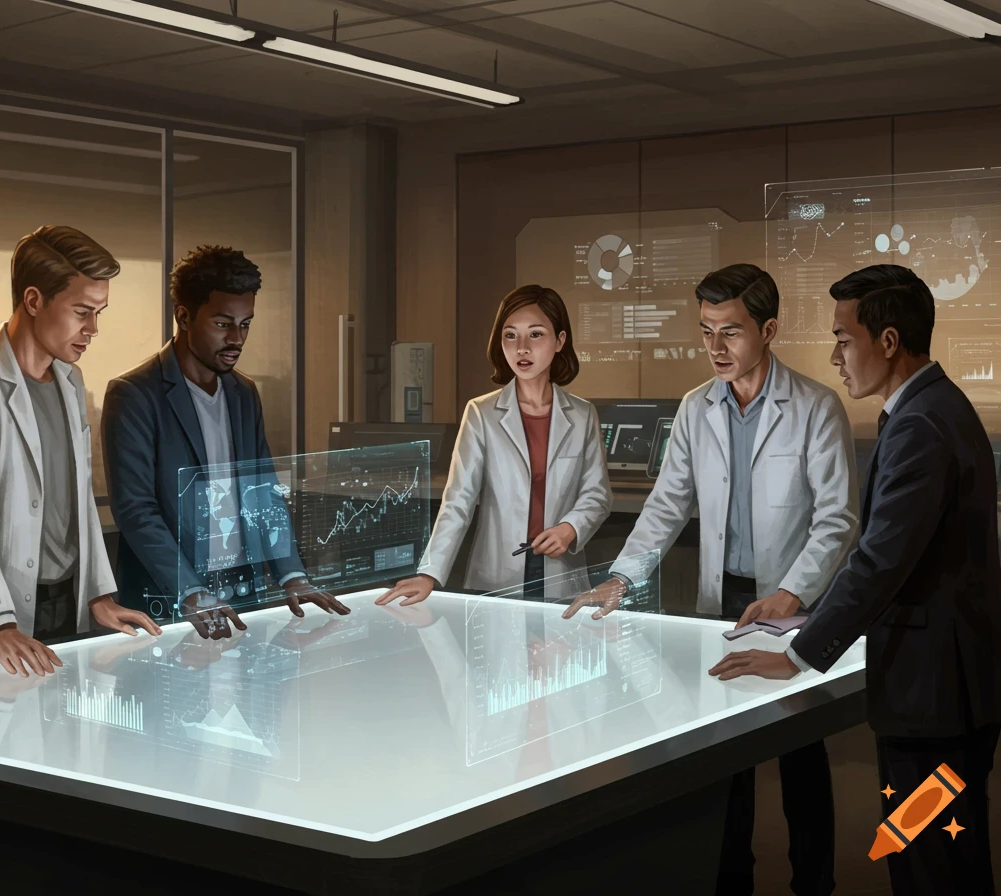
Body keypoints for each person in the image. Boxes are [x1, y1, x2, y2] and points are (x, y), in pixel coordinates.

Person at [709, 264, 1001, 896]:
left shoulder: (921, 425)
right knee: (947, 862)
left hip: (935, 700)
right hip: (946, 690)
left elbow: (877, 562)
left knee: (930, 866)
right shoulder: (930, 408)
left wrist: (795, 655)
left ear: (888, 341)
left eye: (844, 338)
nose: (836, 356)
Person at [572, 264, 859, 896]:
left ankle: (814, 883)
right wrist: (620, 577)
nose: (716, 348)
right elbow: (667, 506)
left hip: (790, 606)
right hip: (722, 603)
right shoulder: (695, 409)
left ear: (769, 329)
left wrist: (792, 592)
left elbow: (838, 519)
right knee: (722, 750)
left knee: (799, 749)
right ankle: (732, 880)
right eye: (706, 332)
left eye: (730, 332)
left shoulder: (815, 406)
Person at [0, 225, 158, 675]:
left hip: (66, 605)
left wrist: (99, 596)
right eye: (82, 312)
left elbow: (80, 500)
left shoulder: (70, 380)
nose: (94, 329)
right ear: (33, 301)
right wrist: (0, 626)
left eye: (99, 313)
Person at [102, 245, 348, 640]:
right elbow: (135, 509)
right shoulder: (134, 394)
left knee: (251, 700)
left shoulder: (243, 393)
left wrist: (292, 574)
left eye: (246, 324)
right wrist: (191, 591)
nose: (237, 338)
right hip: (169, 599)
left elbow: (263, 492)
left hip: (242, 589)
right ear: (183, 315)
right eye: (222, 324)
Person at [377, 284, 612, 607]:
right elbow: (458, 500)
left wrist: (571, 528)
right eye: (511, 336)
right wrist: (430, 573)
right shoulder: (481, 413)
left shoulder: (583, 415)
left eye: (536, 335)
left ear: (560, 341)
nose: (522, 349)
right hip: (496, 574)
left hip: (561, 572)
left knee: (559, 655)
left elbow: (597, 494)